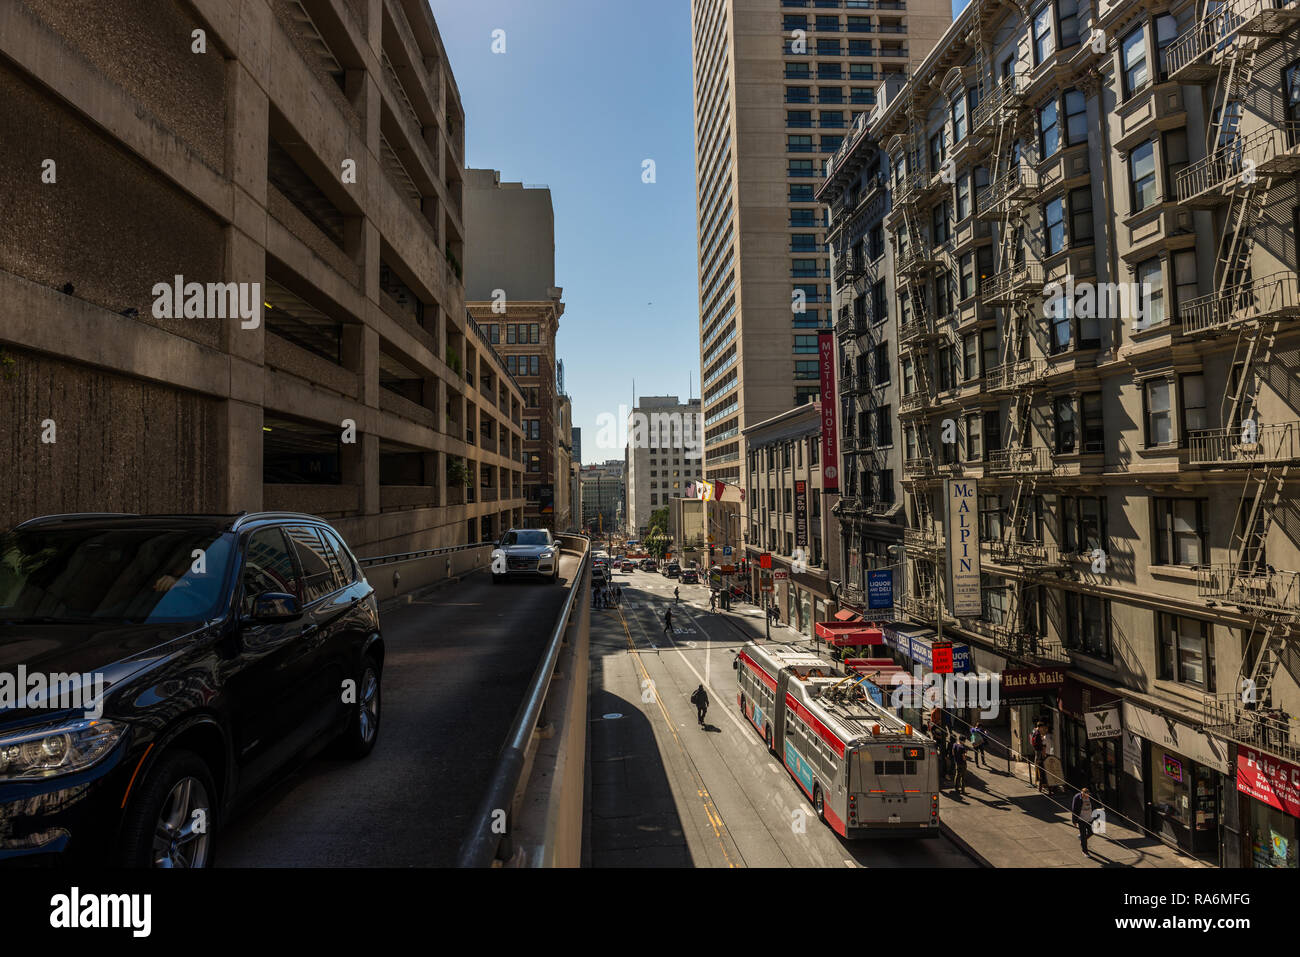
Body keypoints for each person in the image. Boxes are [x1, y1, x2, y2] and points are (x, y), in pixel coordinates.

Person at [1071, 786, 1095, 855]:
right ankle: (1085, 851)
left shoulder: (1091, 797)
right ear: (1081, 793)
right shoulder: (1077, 798)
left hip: (1090, 819)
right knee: (1083, 835)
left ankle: (1082, 839)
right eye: (1084, 796)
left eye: (1087, 796)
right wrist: (1074, 821)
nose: (1085, 797)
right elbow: (1074, 809)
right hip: (1081, 819)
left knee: (1091, 832)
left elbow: (1094, 806)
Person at [1031, 722, 1049, 792]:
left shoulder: (1035, 731)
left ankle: (1037, 780)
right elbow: (1037, 742)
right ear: (1040, 727)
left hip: (1036, 750)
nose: (1043, 729)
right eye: (1042, 727)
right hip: (1038, 750)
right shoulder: (1038, 734)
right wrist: (1041, 743)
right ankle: (1039, 781)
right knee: (1038, 765)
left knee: (1037, 765)